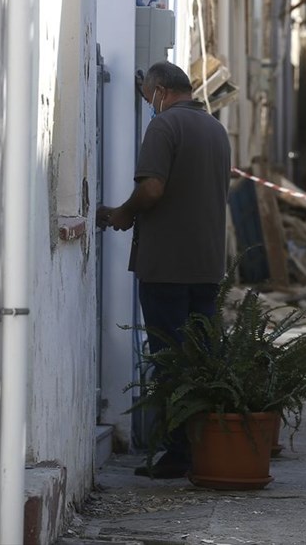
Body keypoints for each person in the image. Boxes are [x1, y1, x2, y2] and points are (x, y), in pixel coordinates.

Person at [98, 61, 231, 478]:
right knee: (205, 358)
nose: (148, 105)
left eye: (147, 97)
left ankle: (177, 453)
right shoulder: (216, 129)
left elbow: (152, 188)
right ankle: (208, 445)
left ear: (159, 90)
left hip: (167, 265)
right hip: (206, 265)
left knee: (171, 359)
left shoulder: (164, 127)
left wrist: (122, 213)